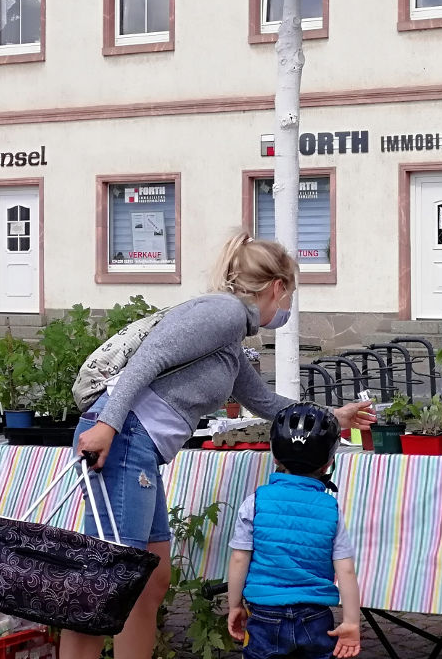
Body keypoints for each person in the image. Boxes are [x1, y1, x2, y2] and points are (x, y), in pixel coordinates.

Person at [65, 232, 375, 659]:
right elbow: (147, 360)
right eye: (289, 297)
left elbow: (264, 402)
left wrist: (331, 416)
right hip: (123, 439)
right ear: (277, 287)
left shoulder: (231, 335)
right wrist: (107, 426)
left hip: (141, 449)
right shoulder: (224, 312)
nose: (286, 309)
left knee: (151, 580)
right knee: (108, 581)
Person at [227, 403, 361, 659]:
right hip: (315, 614)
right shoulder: (330, 508)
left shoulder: (255, 501)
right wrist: (351, 622)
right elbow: (345, 569)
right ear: (329, 463)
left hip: (265, 612)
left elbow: (239, 557)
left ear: (275, 457)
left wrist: (234, 604)